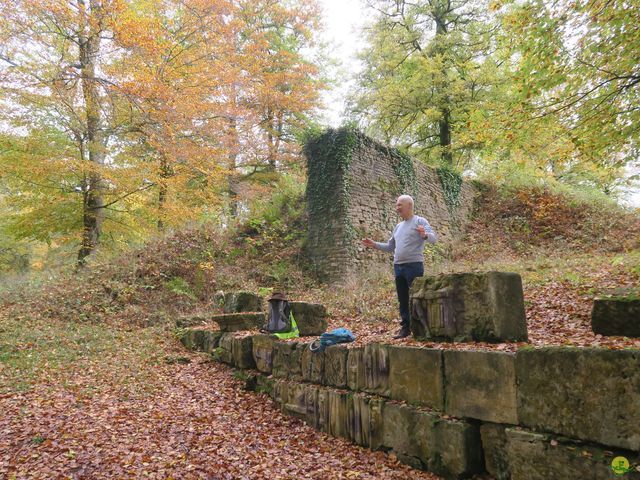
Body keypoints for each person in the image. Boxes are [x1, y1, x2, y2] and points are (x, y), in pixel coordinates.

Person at [362, 195, 437, 339]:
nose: (397, 208)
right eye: (396, 205)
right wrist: (375, 244)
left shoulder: (420, 221)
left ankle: (422, 328)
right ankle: (405, 328)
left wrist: (425, 234)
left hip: (414, 266)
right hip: (398, 267)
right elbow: (391, 247)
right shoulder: (398, 226)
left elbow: (434, 238)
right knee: (403, 299)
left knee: (417, 298)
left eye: (399, 205)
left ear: (409, 205)